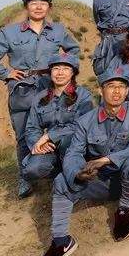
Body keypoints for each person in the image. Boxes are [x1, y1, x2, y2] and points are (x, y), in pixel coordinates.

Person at [35, 68, 129, 256]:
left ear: (127, 92)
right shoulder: (86, 121)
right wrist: (76, 173)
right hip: (106, 182)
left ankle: (124, 211)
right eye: (111, 86)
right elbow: (73, 153)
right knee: (62, 181)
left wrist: (105, 159)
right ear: (101, 90)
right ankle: (61, 242)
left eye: (121, 87)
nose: (116, 91)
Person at [0, 0, 80, 198]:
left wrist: (64, 69)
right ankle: (25, 177)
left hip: (50, 86)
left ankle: (59, 169)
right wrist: (6, 73)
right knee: (23, 134)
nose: (38, 6)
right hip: (23, 89)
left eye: (43, 3)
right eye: (33, 2)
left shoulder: (58, 31)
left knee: (58, 126)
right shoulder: (10, 32)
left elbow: (74, 50)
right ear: (26, 6)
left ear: (49, 7)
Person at [21, 54, 94, 187]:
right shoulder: (40, 98)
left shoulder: (83, 95)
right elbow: (32, 128)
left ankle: (74, 174)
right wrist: (39, 144)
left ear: (73, 73)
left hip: (74, 145)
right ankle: (59, 173)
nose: (60, 73)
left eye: (66, 68)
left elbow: (83, 125)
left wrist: (49, 136)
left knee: (69, 141)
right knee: (32, 169)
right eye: (56, 68)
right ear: (50, 72)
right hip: (50, 148)